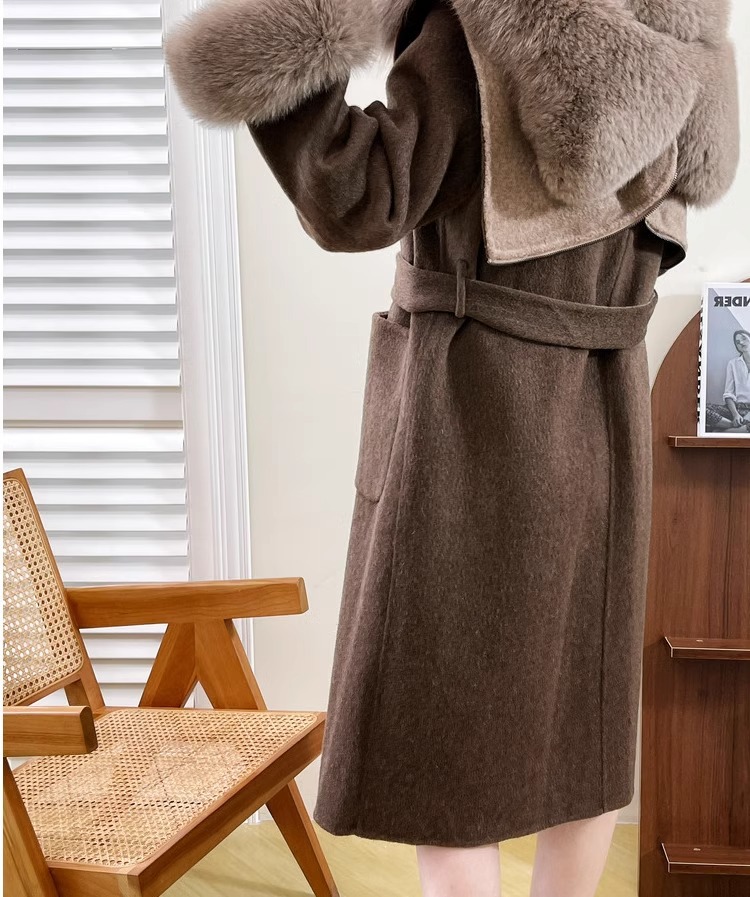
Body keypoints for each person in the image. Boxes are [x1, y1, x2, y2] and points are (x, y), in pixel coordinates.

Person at [164, 1, 739, 894]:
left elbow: (356, 196)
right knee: (582, 733)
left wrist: (278, 37)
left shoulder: (485, 28)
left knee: (446, 755)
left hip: (471, 419)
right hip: (605, 415)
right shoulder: (684, 39)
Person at [705, 329, 750, 433]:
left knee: (714, 431)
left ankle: (725, 430)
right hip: (735, 409)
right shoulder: (733, 363)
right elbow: (728, 394)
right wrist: (735, 415)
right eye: (737, 342)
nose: (741, 342)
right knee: (703, 409)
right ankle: (737, 427)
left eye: (743, 338)